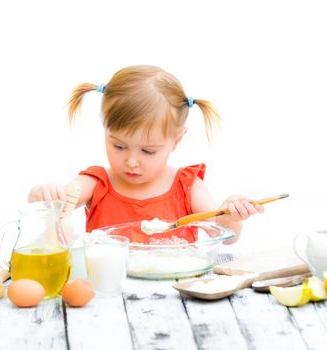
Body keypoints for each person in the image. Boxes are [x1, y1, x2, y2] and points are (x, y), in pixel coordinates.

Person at [27, 65, 263, 244]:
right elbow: (58, 203)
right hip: (107, 295)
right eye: (119, 146)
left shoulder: (187, 187)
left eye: (148, 151)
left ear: (176, 140)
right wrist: (43, 195)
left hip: (174, 295)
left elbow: (226, 235)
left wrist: (231, 215)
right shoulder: (96, 183)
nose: (131, 161)